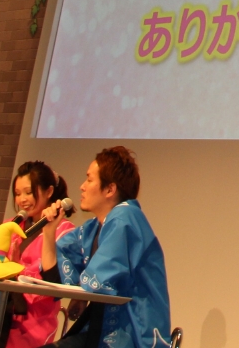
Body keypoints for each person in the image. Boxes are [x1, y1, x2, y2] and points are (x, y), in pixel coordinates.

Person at [39, 147, 170, 348]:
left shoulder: (125, 219)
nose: (82, 187)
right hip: (102, 330)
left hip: (131, 333)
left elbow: (97, 283)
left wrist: (81, 293)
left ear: (110, 189)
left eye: (89, 179)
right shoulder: (92, 228)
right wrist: (49, 232)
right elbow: (54, 280)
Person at [0, 162, 75, 348]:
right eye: (17, 193)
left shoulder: (64, 232)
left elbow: (51, 282)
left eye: (28, 192)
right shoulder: (11, 225)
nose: (22, 199)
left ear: (49, 191)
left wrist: (15, 269)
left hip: (33, 324)